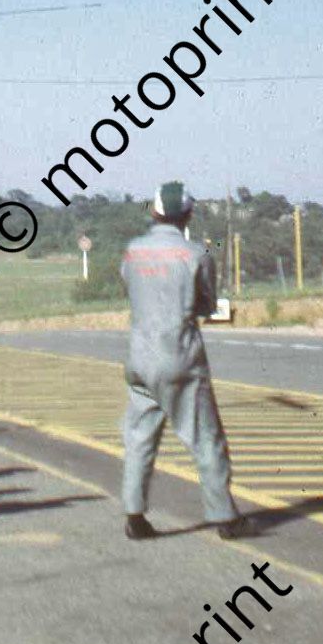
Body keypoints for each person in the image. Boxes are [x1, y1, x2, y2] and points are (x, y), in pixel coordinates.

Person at [119, 181, 257, 541]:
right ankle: (225, 517)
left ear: (154, 212)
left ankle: (134, 515)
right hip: (179, 358)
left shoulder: (133, 251)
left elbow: (129, 289)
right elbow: (207, 304)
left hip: (139, 358)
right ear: (188, 215)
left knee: (139, 437)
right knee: (205, 438)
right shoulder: (197, 254)